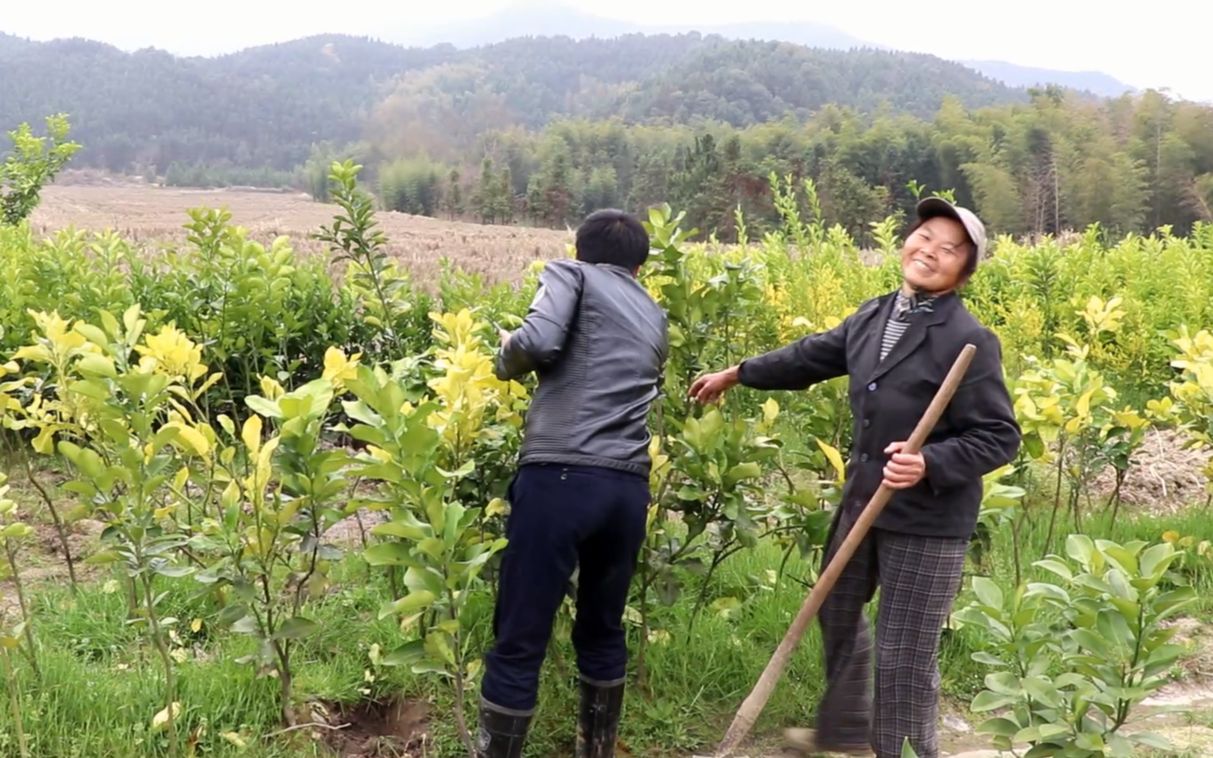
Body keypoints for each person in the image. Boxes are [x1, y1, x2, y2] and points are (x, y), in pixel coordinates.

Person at [689, 198, 1021, 758]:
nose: (929, 251)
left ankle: (907, 750)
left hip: (926, 519)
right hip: (863, 502)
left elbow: (998, 435)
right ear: (906, 242)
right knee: (837, 611)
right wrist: (739, 373)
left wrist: (930, 463)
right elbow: (810, 357)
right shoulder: (876, 315)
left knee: (905, 655)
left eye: (949, 249)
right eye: (924, 237)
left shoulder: (968, 338)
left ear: (964, 270)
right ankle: (846, 732)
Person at [476, 209, 669, 758]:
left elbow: (538, 342)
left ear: (580, 249)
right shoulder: (654, 313)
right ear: (639, 263)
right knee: (602, 630)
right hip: (626, 488)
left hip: (561, 476)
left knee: (519, 637)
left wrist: (506, 350)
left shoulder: (571, 275)